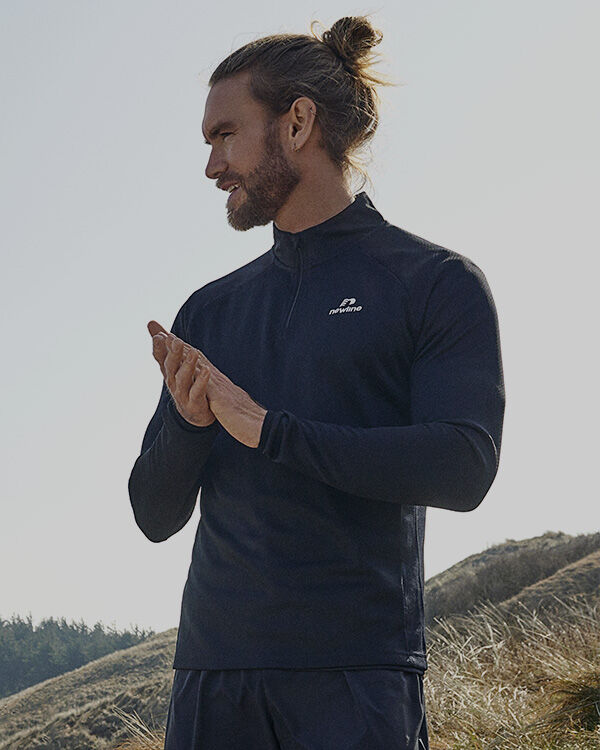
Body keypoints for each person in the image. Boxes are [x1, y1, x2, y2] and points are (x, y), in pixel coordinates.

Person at [128, 14, 505, 750]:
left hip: (357, 681)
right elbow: (152, 513)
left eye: (225, 135)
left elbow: (464, 466)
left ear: (298, 123)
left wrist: (271, 430)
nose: (212, 166)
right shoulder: (210, 311)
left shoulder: (434, 282)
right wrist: (189, 426)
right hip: (212, 680)